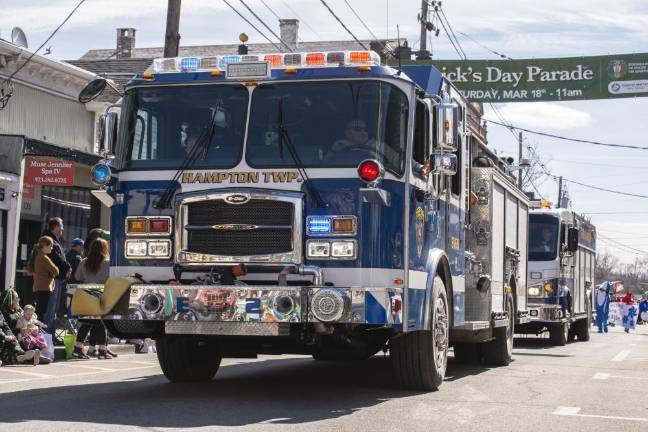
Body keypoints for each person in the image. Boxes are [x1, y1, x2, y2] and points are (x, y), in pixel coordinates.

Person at [73, 238, 113, 359]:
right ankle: (102, 351)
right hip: (102, 295)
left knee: (87, 322)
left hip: (86, 294)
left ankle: (78, 349)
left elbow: (77, 277)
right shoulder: (108, 263)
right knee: (101, 323)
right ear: (105, 249)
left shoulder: (84, 261)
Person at [328, 119, 399, 167]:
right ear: (347, 133)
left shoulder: (380, 146)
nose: (363, 132)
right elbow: (326, 165)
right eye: (357, 129)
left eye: (365, 129)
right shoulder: (340, 146)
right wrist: (333, 151)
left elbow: (399, 163)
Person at [42, 217, 71, 332]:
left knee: (53, 307)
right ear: (56, 227)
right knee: (51, 307)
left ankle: (50, 333)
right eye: (61, 226)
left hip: (57, 278)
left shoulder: (55, 240)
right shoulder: (50, 240)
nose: (63, 229)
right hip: (52, 278)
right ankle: (46, 333)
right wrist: (67, 265)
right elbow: (55, 257)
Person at [27, 236, 60, 323]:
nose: (52, 248)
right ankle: (38, 333)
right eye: (51, 246)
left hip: (38, 287)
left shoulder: (37, 255)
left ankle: (36, 331)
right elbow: (56, 271)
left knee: (39, 311)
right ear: (45, 245)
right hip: (44, 288)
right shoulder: (44, 257)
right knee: (41, 313)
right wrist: (51, 274)